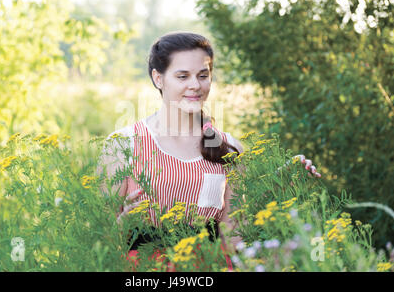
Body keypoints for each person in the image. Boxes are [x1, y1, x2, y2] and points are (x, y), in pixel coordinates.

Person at [99, 32, 321, 270]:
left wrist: (275, 186)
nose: (195, 85)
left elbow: (233, 238)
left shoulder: (229, 148)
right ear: (158, 78)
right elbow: (96, 244)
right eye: (182, 76)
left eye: (203, 76)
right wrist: (124, 223)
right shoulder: (122, 146)